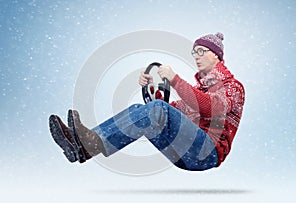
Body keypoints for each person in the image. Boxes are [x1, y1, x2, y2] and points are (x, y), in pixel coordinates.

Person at [49, 32, 245, 171]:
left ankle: (89, 143)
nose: (196, 56)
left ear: (217, 56)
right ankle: (83, 146)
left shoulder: (234, 88)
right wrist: (150, 89)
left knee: (157, 109)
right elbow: (169, 111)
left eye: (202, 51)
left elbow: (209, 107)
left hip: (206, 154)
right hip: (183, 155)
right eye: (195, 52)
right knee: (142, 109)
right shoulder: (198, 91)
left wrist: (175, 79)